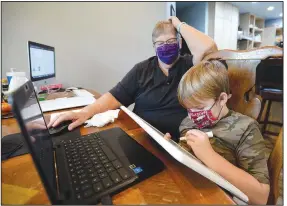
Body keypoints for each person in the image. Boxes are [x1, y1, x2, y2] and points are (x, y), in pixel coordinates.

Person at [48, 17, 218, 140]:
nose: (166, 46)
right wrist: (84, 113)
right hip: (140, 138)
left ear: (180, 43)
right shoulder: (141, 70)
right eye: (160, 44)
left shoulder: (191, 66)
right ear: (154, 48)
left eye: (171, 41)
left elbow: (208, 47)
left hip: (177, 143)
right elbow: (114, 96)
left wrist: (178, 24)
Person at [164, 60, 270, 204]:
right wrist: (171, 149)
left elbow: (261, 197)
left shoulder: (246, 128)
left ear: (222, 99)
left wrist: (209, 156)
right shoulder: (187, 122)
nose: (192, 116)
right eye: (189, 109)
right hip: (183, 189)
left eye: (200, 108)